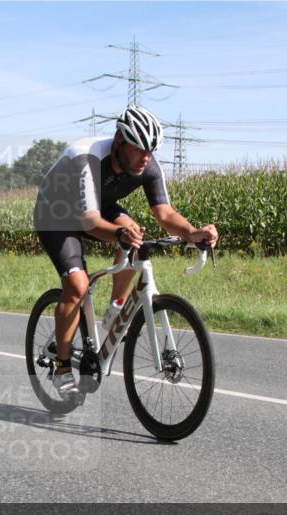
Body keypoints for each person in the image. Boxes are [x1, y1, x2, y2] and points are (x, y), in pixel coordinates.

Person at [33, 105, 219, 398]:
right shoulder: (88, 158)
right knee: (77, 286)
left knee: (135, 235)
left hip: (98, 206)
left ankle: (114, 312)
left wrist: (193, 233)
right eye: (139, 150)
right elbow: (88, 221)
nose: (146, 157)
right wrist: (118, 233)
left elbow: (165, 214)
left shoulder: (147, 165)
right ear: (119, 141)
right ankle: (62, 366)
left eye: (151, 151)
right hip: (55, 213)